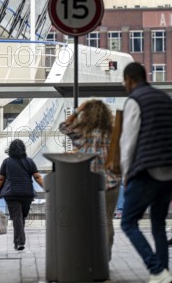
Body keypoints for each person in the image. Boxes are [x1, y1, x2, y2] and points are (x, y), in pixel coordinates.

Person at [119, 62, 172, 283]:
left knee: (128, 222)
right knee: (158, 224)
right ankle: (163, 273)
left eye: (124, 81)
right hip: (169, 171)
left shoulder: (135, 100)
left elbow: (128, 141)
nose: (125, 86)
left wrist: (126, 175)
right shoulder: (165, 99)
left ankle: (156, 268)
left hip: (147, 170)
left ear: (130, 79)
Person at [59, 99, 121, 259]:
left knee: (87, 220)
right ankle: (104, 258)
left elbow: (63, 127)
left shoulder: (82, 133)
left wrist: (77, 111)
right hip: (111, 182)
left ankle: (89, 255)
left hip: (88, 183)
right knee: (107, 220)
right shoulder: (114, 132)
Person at [0, 139, 43, 251]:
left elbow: (0, 179)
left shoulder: (7, 162)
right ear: (23, 149)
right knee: (19, 217)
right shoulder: (29, 161)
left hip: (12, 193)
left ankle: (19, 241)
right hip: (27, 194)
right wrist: (48, 188)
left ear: (11, 150)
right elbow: (37, 177)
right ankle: (19, 242)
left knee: (18, 217)